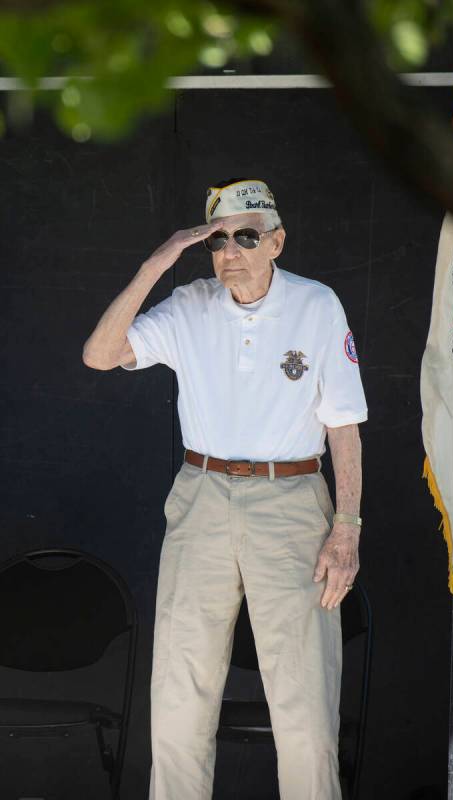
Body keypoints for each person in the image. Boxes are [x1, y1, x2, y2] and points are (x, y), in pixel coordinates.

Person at [82, 177, 368, 800]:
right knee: (180, 695)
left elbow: (343, 428)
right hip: (202, 493)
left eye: (245, 236)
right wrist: (157, 262)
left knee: (305, 701)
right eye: (216, 242)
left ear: (277, 242)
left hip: (291, 500)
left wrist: (346, 527)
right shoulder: (190, 304)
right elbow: (100, 355)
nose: (230, 251)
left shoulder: (317, 306)